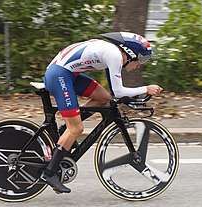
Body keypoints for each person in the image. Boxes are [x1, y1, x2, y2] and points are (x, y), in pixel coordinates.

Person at [40, 32, 163, 193]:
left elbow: (112, 92)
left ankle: (64, 129)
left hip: (68, 74)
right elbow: (119, 91)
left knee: (103, 97)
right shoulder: (115, 55)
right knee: (76, 129)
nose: (139, 65)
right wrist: (146, 89)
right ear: (130, 53)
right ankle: (49, 173)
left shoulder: (112, 53)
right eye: (140, 59)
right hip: (60, 75)